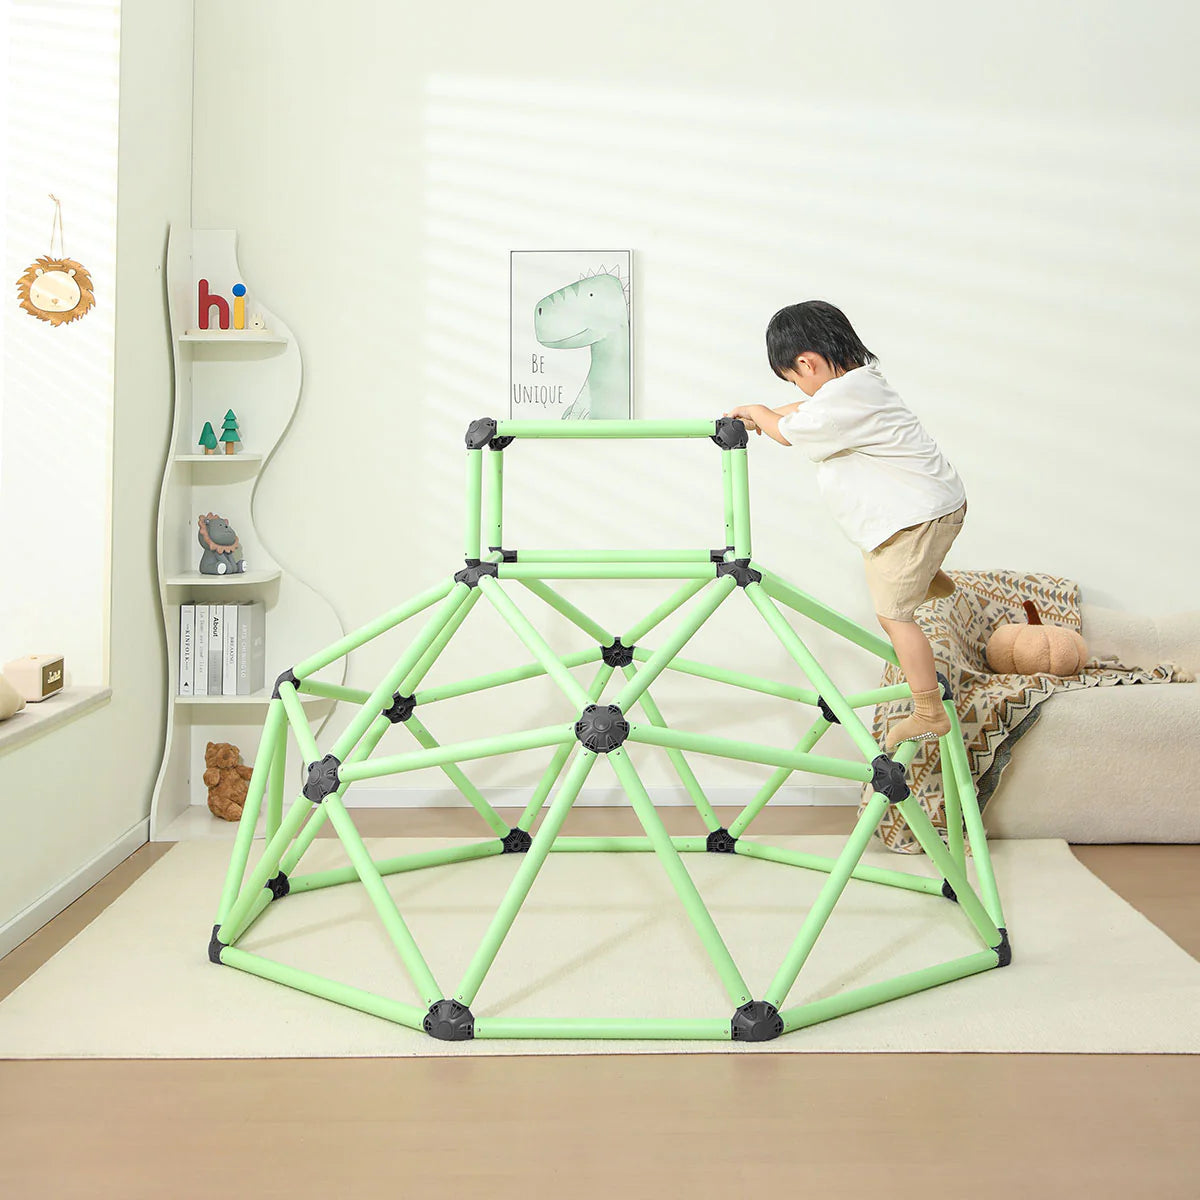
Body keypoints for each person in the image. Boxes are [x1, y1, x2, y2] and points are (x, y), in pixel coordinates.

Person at [724, 300, 966, 751]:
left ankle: (928, 710)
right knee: (880, 562)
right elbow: (806, 408)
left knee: (894, 616)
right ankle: (925, 574)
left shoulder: (840, 405)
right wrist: (769, 412)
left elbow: (786, 432)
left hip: (916, 521)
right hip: (925, 511)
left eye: (793, 378)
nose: (797, 388)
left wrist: (759, 411)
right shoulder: (860, 385)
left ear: (806, 363)